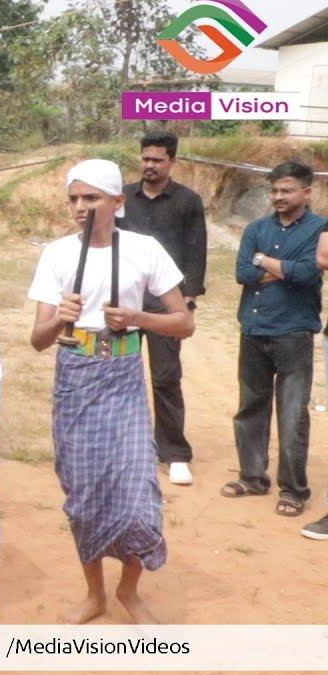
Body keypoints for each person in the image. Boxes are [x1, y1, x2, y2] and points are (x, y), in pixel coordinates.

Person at [29, 159, 194, 625]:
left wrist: (137, 318)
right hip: (75, 378)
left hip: (124, 377)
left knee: (137, 490)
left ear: (118, 202)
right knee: (84, 492)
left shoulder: (144, 250)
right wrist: (59, 319)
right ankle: (94, 594)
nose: (80, 207)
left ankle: (129, 591)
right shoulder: (57, 255)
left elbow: (184, 323)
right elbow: (37, 340)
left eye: (92, 198)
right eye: (74, 199)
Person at [225, 160, 326, 522]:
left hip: (293, 332)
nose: (278, 196)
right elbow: (242, 273)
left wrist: (264, 261)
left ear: (307, 192)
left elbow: (307, 273)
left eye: (287, 190)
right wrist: (282, 267)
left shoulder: (320, 229)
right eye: (274, 190)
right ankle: (252, 478)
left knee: (293, 413)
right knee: (251, 406)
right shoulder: (257, 228)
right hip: (254, 328)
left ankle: (293, 490)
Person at [119, 132, 207, 486]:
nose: (150, 165)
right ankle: (126, 447)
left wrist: (189, 301)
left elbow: (196, 251)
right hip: (124, 301)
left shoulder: (188, 201)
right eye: (145, 159)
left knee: (166, 377)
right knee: (119, 376)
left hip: (166, 305)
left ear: (172, 161)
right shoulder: (123, 198)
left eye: (157, 160)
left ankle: (174, 453)